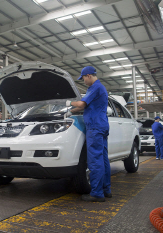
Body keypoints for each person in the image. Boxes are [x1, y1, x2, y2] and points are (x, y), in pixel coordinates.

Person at [64, 66, 110, 202]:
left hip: (95, 127)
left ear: (88, 75)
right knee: (103, 158)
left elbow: (82, 104)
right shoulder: (100, 88)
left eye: (83, 78)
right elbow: (86, 105)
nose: (83, 80)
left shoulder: (95, 87)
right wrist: (70, 111)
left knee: (95, 160)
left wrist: (68, 102)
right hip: (102, 125)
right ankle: (106, 189)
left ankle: (96, 193)